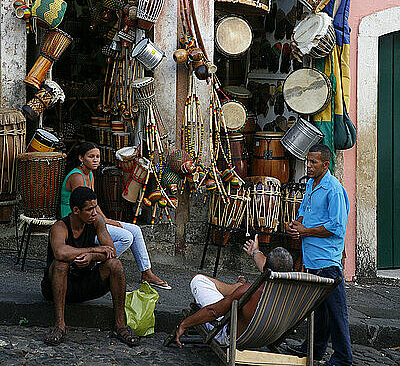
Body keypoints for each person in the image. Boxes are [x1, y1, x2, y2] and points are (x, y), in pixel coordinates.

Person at [60, 142, 170, 290]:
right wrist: (105, 221)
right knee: (126, 237)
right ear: (81, 158)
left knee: (136, 230)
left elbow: (93, 205)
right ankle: (97, 263)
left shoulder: (90, 174)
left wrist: (106, 220)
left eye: (97, 156)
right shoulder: (77, 177)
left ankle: (146, 272)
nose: (96, 160)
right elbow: (85, 206)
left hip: (91, 218)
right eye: (91, 156)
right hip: (78, 224)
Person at [41, 186, 138, 347]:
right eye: (89, 209)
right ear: (76, 210)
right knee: (60, 265)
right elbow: (60, 252)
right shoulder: (60, 227)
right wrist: (93, 249)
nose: (95, 213)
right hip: (56, 287)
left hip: (85, 284)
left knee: (115, 264)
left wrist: (92, 257)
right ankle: (59, 326)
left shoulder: (97, 221)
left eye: (95, 208)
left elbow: (111, 251)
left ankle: (120, 326)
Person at [287, 143, 353, 366]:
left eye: (313, 162)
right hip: (312, 258)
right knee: (320, 311)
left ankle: (344, 357)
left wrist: (305, 231)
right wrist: (296, 226)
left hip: (328, 260)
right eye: (307, 161)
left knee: (337, 313)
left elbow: (336, 226)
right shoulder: (310, 185)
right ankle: (313, 349)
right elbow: (304, 215)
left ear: (326, 164)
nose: (308, 165)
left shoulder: (334, 189)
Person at [175, 245, 293, 348]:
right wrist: (255, 251)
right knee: (232, 296)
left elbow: (213, 312)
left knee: (199, 279)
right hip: (269, 338)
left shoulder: (250, 291)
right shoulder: (298, 294)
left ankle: (235, 287)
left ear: (263, 267)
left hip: (231, 337)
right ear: (291, 271)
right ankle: (234, 287)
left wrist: (185, 323)